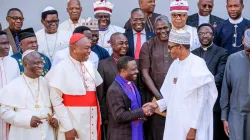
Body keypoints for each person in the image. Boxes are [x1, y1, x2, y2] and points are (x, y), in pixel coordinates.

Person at [154, 30, 217, 140]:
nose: (168, 51)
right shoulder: (175, 64)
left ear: (180, 47)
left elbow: (202, 100)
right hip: (175, 122)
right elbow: (173, 94)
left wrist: (193, 128)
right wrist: (156, 105)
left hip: (191, 125)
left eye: (170, 47)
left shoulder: (198, 64)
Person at [46, 33, 103, 140]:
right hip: (73, 120)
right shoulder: (61, 68)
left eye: (90, 47)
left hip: (92, 118)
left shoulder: (89, 65)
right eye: (86, 48)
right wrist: (68, 128)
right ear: (74, 49)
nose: (90, 51)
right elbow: (56, 101)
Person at [0, 50, 58, 140]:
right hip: (23, 133)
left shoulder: (47, 83)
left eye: (41, 63)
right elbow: (5, 112)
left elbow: (57, 106)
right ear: (26, 64)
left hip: (47, 132)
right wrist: (26, 121)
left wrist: (55, 118)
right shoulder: (13, 86)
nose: (41, 66)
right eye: (36, 63)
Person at [139, 15, 173, 140]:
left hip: (177, 94)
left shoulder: (177, 44)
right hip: (155, 97)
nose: (162, 31)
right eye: (159, 28)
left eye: (165, 27)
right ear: (154, 30)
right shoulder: (148, 45)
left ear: (170, 26)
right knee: (157, 132)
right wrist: (160, 98)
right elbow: (145, 74)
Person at [106, 56, 157, 140]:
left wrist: (145, 112)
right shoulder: (114, 90)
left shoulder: (131, 83)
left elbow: (134, 106)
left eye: (136, 68)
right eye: (133, 69)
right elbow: (119, 116)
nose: (137, 71)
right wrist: (143, 111)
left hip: (136, 131)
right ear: (123, 71)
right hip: (122, 135)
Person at [192, 23, 229, 140]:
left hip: (214, 102)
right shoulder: (193, 54)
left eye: (207, 33)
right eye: (201, 33)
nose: (204, 36)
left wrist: (202, 85)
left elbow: (220, 76)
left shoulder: (222, 52)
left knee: (215, 135)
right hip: (196, 102)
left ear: (213, 35)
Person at [97, 32, 129, 139]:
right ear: (112, 44)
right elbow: (100, 93)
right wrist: (104, 116)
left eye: (126, 43)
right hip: (112, 115)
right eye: (120, 43)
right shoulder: (103, 64)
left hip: (132, 113)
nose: (124, 46)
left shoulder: (133, 62)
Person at [220, 28, 250, 140]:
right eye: (248, 51)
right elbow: (225, 90)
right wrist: (224, 118)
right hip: (236, 116)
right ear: (242, 40)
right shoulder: (233, 59)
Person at [0, 30, 20, 140]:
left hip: (11, 110)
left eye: (8, 43)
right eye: (3, 43)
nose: (7, 46)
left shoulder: (13, 62)